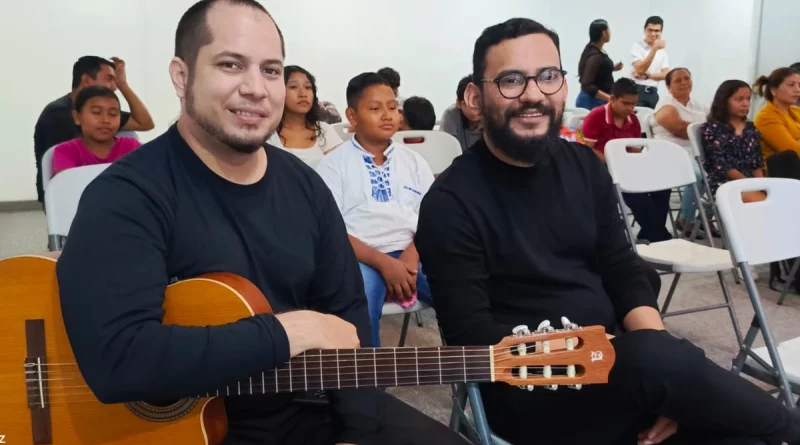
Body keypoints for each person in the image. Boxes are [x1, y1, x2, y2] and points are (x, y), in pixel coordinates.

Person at [54, 2, 469, 445]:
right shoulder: (126, 195)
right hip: (187, 429)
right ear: (181, 76)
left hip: (309, 407)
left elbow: (348, 317)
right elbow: (118, 359)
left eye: (271, 71)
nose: (256, 88)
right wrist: (288, 332)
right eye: (231, 64)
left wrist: (358, 431)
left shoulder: (305, 187)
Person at [415, 17, 800, 445]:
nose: (533, 95)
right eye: (510, 80)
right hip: (531, 392)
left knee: (742, 436)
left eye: (547, 76)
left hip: (631, 370)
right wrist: (636, 366)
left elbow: (622, 267)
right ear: (475, 95)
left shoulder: (582, 166)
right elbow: (473, 342)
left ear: (563, 84)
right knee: (694, 384)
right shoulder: (449, 204)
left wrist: (661, 374)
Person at [315, 73, 435, 348]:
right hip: (360, 256)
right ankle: (366, 386)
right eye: (374, 108)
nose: (387, 115)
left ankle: (478, 379)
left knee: (458, 288)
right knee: (360, 299)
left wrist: (409, 256)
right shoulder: (334, 165)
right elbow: (331, 231)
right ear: (352, 116)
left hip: (413, 252)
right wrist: (383, 263)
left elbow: (433, 219)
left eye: (392, 107)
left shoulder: (414, 162)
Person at [34, 55, 154, 206]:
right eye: (110, 78)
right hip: (71, 201)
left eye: (112, 113)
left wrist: (124, 85)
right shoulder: (58, 115)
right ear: (86, 80)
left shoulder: (106, 119)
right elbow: (67, 187)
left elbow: (144, 123)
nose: (114, 86)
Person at [582, 78, 672, 243]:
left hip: (625, 165)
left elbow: (635, 148)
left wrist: (634, 164)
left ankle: (649, 230)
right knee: (634, 191)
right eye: (626, 103)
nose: (630, 108)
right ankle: (660, 236)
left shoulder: (633, 120)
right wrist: (613, 160)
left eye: (633, 104)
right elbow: (586, 149)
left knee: (662, 186)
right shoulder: (596, 116)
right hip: (601, 168)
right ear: (613, 99)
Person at [652, 68, 711, 238]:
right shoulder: (666, 104)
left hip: (697, 152)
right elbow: (679, 129)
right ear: (669, 87)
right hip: (671, 154)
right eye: (678, 80)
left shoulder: (699, 105)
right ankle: (686, 219)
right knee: (699, 176)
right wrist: (703, 131)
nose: (684, 82)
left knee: (721, 174)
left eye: (687, 78)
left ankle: (705, 218)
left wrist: (704, 131)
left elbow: (715, 127)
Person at [51, 86, 141, 177]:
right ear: (77, 117)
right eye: (96, 112)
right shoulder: (66, 151)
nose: (105, 120)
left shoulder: (132, 147)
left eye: (113, 114)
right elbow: (67, 186)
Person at [702, 80, 764, 201]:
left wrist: (761, 185)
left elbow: (757, 163)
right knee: (763, 202)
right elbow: (723, 167)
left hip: (750, 183)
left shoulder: (751, 128)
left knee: (779, 196)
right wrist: (749, 184)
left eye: (748, 99)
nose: (745, 104)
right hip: (724, 185)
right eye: (739, 99)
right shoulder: (712, 129)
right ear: (724, 102)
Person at [269, 65, 342, 167]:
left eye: (308, 87)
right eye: (293, 87)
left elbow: (341, 170)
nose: (303, 94)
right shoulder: (268, 134)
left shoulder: (324, 130)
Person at [753, 67, 800, 179]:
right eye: (791, 85)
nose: (798, 89)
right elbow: (792, 151)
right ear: (773, 90)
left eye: (799, 85)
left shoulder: (795, 110)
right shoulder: (766, 116)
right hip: (780, 174)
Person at [575, 19, 623, 110]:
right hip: (592, 102)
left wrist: (613, 68)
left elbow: (598, 70)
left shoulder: (596, 50)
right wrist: (609, 98)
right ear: (604, 33)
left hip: (599, 101)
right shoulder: (595, 55)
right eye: (609, 30)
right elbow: (586, 85)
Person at [631, 16, 670, 109]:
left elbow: (666, 75)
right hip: (637, 91)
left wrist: (648, 76)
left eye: (657, 31)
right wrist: (654, 49)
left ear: (661, 32)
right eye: (650, 30)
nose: (653, 34)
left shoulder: (663, 52)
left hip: (653, 93)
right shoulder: (637, 47)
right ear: (645, 30)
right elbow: (640, 70)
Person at [440, 75, 483, 152]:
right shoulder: (451, 115)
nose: (475, 108)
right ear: (458, 103)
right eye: (469, 102)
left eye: (479, 103)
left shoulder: (491, 116)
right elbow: (446, 150)